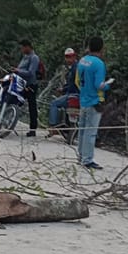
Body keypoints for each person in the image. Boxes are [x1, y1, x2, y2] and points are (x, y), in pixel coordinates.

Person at [75, 36, 112, 170]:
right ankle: (87, 159)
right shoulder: (99, 64)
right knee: (91, 132)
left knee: (82, 130)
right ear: (101, 48)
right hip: (95, 101)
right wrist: (108, 85)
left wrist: (84, 92)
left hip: (83, 100)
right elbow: (99, 85)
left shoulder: (82, 61)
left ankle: (80, 156)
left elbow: (77, 81)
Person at [47, 47, 80, 130]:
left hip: (73, 94)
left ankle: (53, 126)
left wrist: (64, 89)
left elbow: (74, 84)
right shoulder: (73, 67)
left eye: (70, 57)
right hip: (75, 93)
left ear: (74, 57)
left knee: (54, 103)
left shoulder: (75, 68)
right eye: (67, 57)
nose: (68, 59)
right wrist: (63, 89)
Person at [14, 38, 40, 137]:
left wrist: (18, 71)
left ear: (27, 47)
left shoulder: (34, 58)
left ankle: (33, 129)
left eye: (22, 48)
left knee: (32, 107)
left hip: (31, 85)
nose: (21, 50)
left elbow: (31, 72)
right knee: (16, 102)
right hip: (22, 84)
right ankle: (10, 120)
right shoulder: (25, 57)